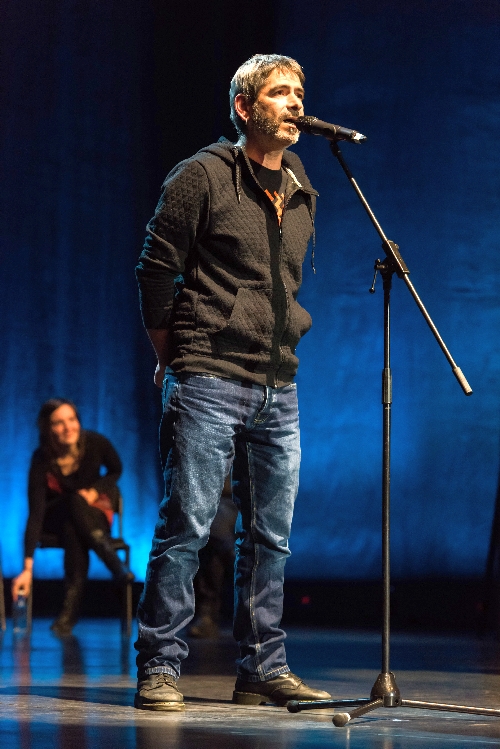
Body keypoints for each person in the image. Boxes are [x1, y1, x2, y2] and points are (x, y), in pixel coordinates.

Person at [134, 53, 331, 711]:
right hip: (209, 376)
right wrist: (176, 355)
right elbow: (155, 271)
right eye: (279, 92)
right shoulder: (203, 176)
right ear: (244, 107)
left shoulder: (300, 182)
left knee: (271, 536)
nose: (295, 102)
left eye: (299, 91)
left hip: (279, 381)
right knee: (187, 525)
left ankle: (262, 668)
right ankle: (161, 665)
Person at [12, 398, 133, 637]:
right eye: (59, 423)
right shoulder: (41, 459)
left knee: (75, 521)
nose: (68, 427)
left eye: (72, 419)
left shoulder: (95, 443)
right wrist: (27, 568)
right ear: (47, 429)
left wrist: (96, 490)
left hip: (93, 515)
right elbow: (36, 513)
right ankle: (114, 565)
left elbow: (116, 469)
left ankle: (68, 614)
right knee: (72, 506)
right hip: (56, 521)